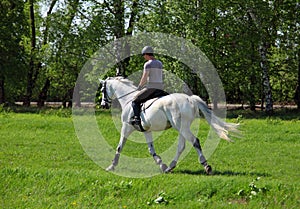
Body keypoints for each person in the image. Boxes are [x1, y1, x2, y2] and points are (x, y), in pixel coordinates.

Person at [131, 46, 168, 131]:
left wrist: (139, 86)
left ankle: (137, 119)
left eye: (144, 55)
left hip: (151, 88)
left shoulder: (148, 64)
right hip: (160, 88)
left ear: (146, 54)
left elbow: (145, 77)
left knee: (135, 101)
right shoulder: (159, 63)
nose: (144, 57)